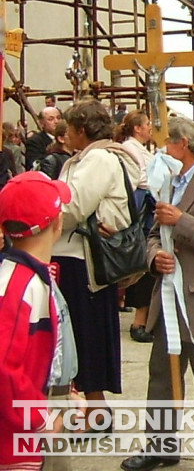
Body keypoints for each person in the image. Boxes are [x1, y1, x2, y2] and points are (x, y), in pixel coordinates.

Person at [120, 117, 194, 471]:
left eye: (166, 145)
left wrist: (182, 221)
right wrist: (154, 255)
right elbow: (154, 233)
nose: (161, 151)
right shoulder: (167, 182)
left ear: (184, 145)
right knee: (162, 376)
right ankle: (161, 446)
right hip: (169, 298)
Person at [54, 100, 142, 424]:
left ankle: (96, 412)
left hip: (86, 261)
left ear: (81, 130)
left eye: (70, 128)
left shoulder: (99, 159)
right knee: (77, 334)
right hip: (73, 255)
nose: (66, 135)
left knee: (86, 334)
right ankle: (89, 408)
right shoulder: (81, 160)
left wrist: (41, 216)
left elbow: (73, 206)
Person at [0, 172, 78, 471]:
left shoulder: (35, 279)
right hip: (23, 432)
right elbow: (5, 367)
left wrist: (67, 389)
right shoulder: (21, 286)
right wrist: (40, 417)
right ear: (56, 223)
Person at [115, 110, 157, 343]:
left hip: (148, 211)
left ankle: (149, 318)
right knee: (144, 265)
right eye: (147, 124)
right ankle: (139, 321)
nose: (150, 127)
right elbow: (137, 178)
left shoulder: (142, 149)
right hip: (141, 214)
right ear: (137, 128)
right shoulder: (130, 149)